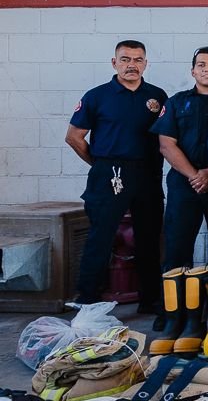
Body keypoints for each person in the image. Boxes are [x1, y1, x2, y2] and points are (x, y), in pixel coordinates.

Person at [66, 40, 167, 310]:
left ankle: (151, 300)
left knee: (149, 237)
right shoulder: (97, 96)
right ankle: (87, 300)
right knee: (101, 236)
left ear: (145, 63)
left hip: (148, 172)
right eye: (125, 59)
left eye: (137, 60)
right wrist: (99, 164)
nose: (131, 65)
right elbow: (74, 137)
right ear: (114, 63)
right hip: (110, 172)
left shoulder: (157, 96)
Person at [152, 46, 208, 273]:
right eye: (201, 65)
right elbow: (166, 144)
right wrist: (195, 176)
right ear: (192, 71)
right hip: (184, 184)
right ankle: (177, 306)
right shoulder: (176, 102)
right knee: (177, 245)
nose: (207, 69)